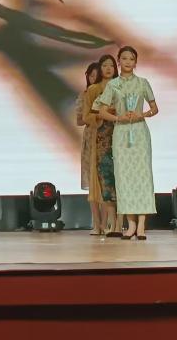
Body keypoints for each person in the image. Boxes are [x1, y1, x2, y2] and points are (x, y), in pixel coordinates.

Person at [93, 46, 159, 240]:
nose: (128, 62)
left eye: (131, 59)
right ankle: (130, 225)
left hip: (139, 133)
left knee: (142, 176)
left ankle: (142, 225)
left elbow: (154, 108)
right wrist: (118, 118)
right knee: (124, 178)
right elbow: (101, 111)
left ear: (136, 62)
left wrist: (142, 114)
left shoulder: (143, 83)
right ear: (119, 61)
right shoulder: (113, 85)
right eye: (124, 58)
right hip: (121, 134)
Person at [86, 54, 122, 236]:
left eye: (111, 65)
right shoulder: (94, 89)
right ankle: (111, 222)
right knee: (106, 180)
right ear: (100, 68)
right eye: (105, 65)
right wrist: (102, 115)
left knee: (122, 179)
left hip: (121, 135)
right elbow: (86, 116)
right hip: (102, 138)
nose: (108, 69)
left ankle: (120, 224)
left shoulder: (122, 86)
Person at [76, 62, 102, 232]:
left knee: (105, 183)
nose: (94, 78)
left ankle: (107, 222)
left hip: (105, 136)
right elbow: (79, 120)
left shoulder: (108, 92)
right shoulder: (84, 95)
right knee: (92, 183)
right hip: (90, 137)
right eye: (91, 75)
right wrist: (91, 115)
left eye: (96, 75)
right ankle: (96, 223)